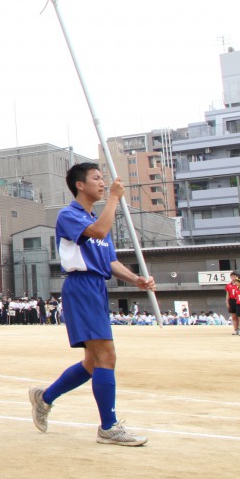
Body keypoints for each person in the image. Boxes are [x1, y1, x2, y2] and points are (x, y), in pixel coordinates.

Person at [28, 163, 154, 446]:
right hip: (81, 287)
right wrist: (114, 198)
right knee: (106, 357)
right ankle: (108, 427)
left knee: (91, 362)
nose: (102, 182)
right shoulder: (70, 215)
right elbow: (97, 233)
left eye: (103, 179)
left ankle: (44, 397)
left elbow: (110, 261)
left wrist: (136, 280)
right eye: (96, 178)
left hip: (97, 286)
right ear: (80, 185)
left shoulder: (99, 218)